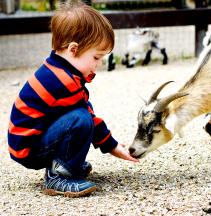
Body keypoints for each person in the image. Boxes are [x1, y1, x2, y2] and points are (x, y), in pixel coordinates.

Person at [7, 1, 138, 198]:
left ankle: (67, 162)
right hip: (30, 149)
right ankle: (59, 175)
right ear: (73, 49)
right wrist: (112, 146)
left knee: (79, 115)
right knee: (81, 119)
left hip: (28, 142)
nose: (99, 64)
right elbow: (88, 115)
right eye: (96, 57)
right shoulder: (63, 81)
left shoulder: (57, 68)